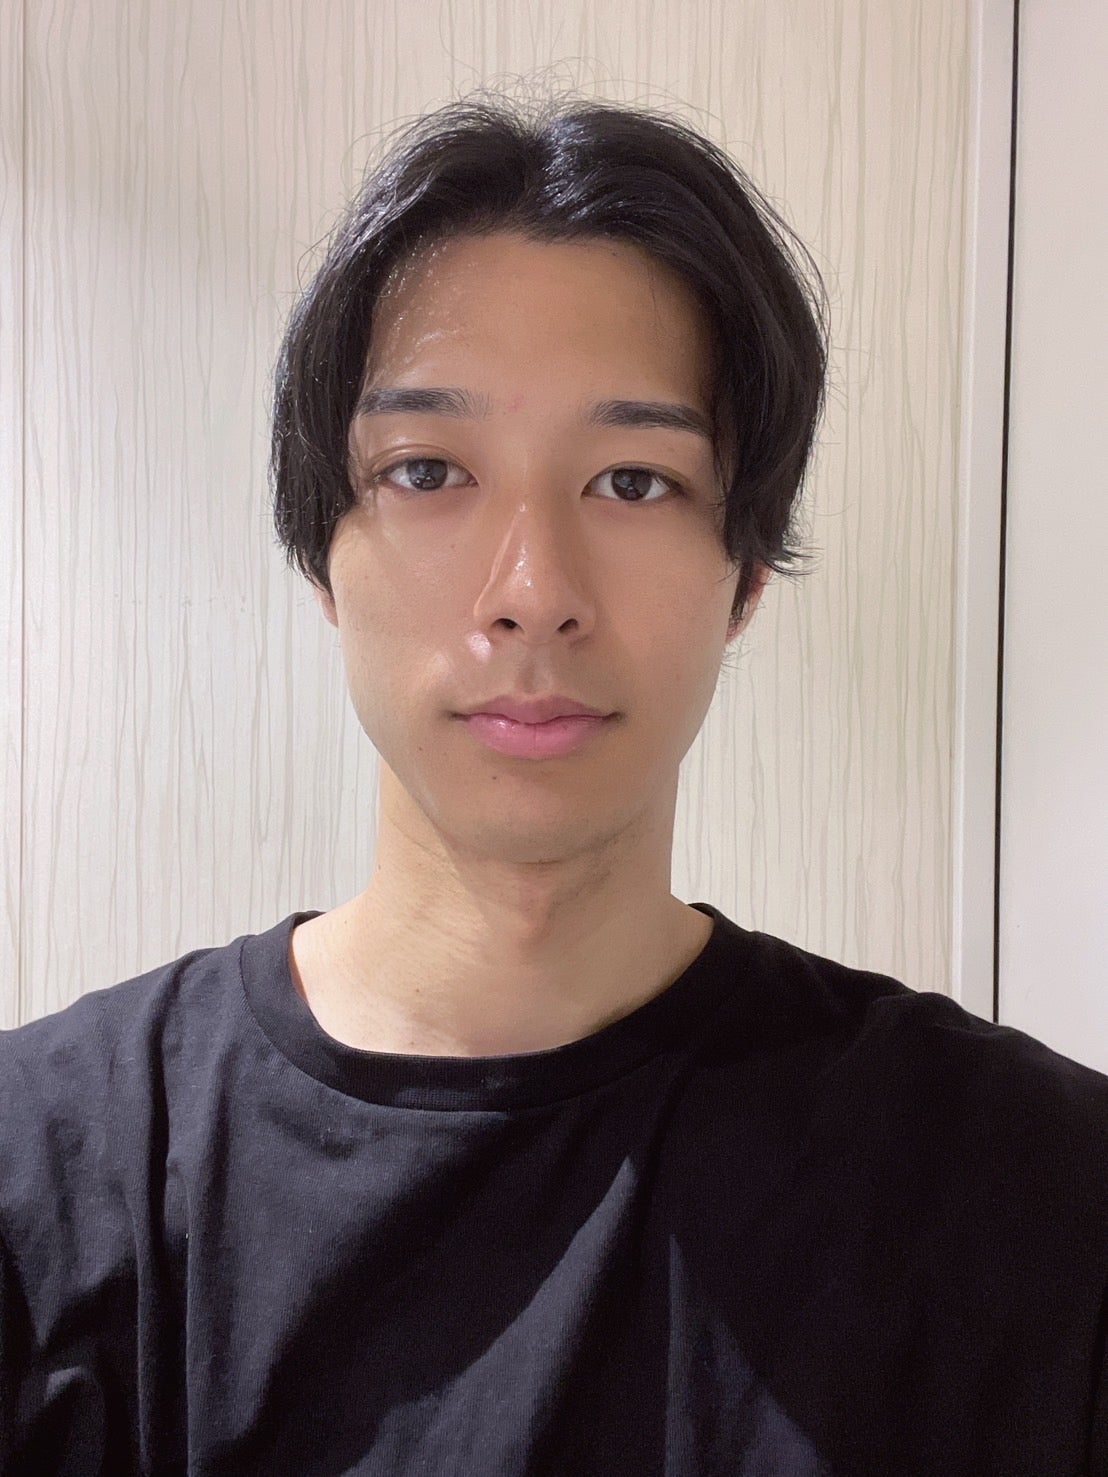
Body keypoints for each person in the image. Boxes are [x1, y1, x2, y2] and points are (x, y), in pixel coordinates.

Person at [1, 92, 1106, 1477]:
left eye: (634, 481)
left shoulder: (1031, 1195)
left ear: (748, 574)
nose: (532, 592)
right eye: (427, 471)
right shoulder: (47, 1180)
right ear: (321, 554)